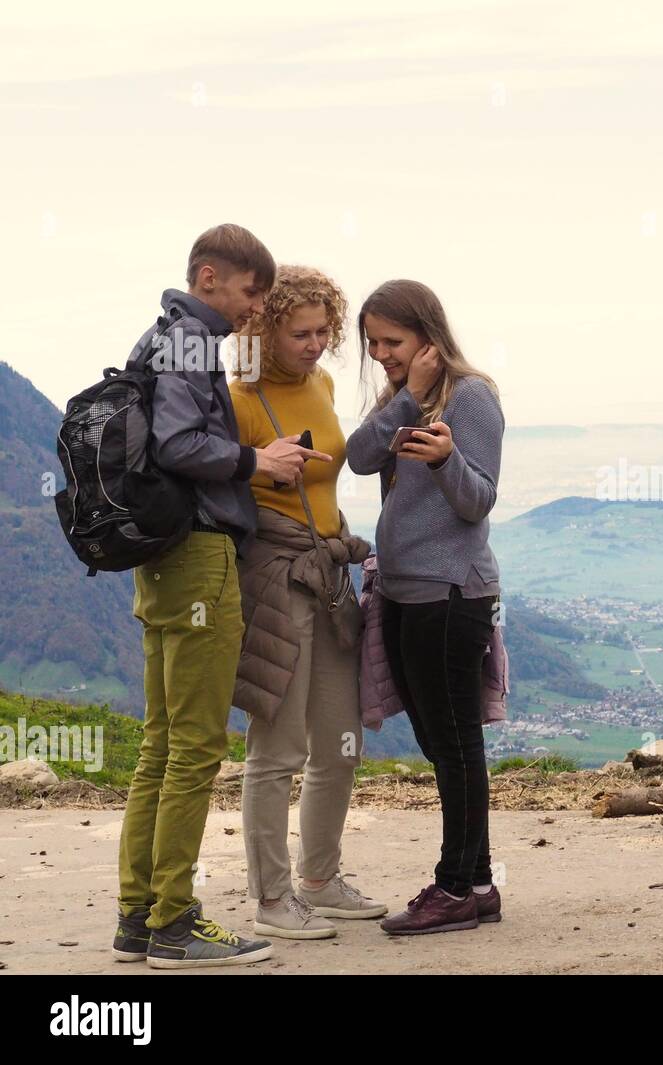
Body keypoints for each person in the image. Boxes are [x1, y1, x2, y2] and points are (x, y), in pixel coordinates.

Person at [113, 224, 327, 969]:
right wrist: (254, 459)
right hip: (201, 555)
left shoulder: (158, 336)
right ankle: (175, 921)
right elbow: (179, 444)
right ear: (210, 278)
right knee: (196, 745)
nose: (254, 309)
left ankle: (138, 915)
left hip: (161, 558)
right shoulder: (193, 342)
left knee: (162, 741)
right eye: (249, 292)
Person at [345, 279, 505, 935]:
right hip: (406, 593)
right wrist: (407, 396)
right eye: (373, 342)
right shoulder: (402, 398)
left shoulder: (472, 398)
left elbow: (478, 501)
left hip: (451, 595)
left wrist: (445, 460)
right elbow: (358, 458)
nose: (381, 352)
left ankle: (454, 887)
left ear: (428, 338)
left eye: (393, 340)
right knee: (446, 745)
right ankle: (481, 882)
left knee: (457, 743)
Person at [229, 265, 385, 939]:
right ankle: (270, 897)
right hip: (275, 574)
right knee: (278, 744)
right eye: (301, 332)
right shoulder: (238, 397)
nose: (317, 344)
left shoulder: (320, 384)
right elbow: (212, 484)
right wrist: (259, 462)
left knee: (340, 739)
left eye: (325, 330)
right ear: (265, 328)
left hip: (328, 570)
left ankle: (318, 879)